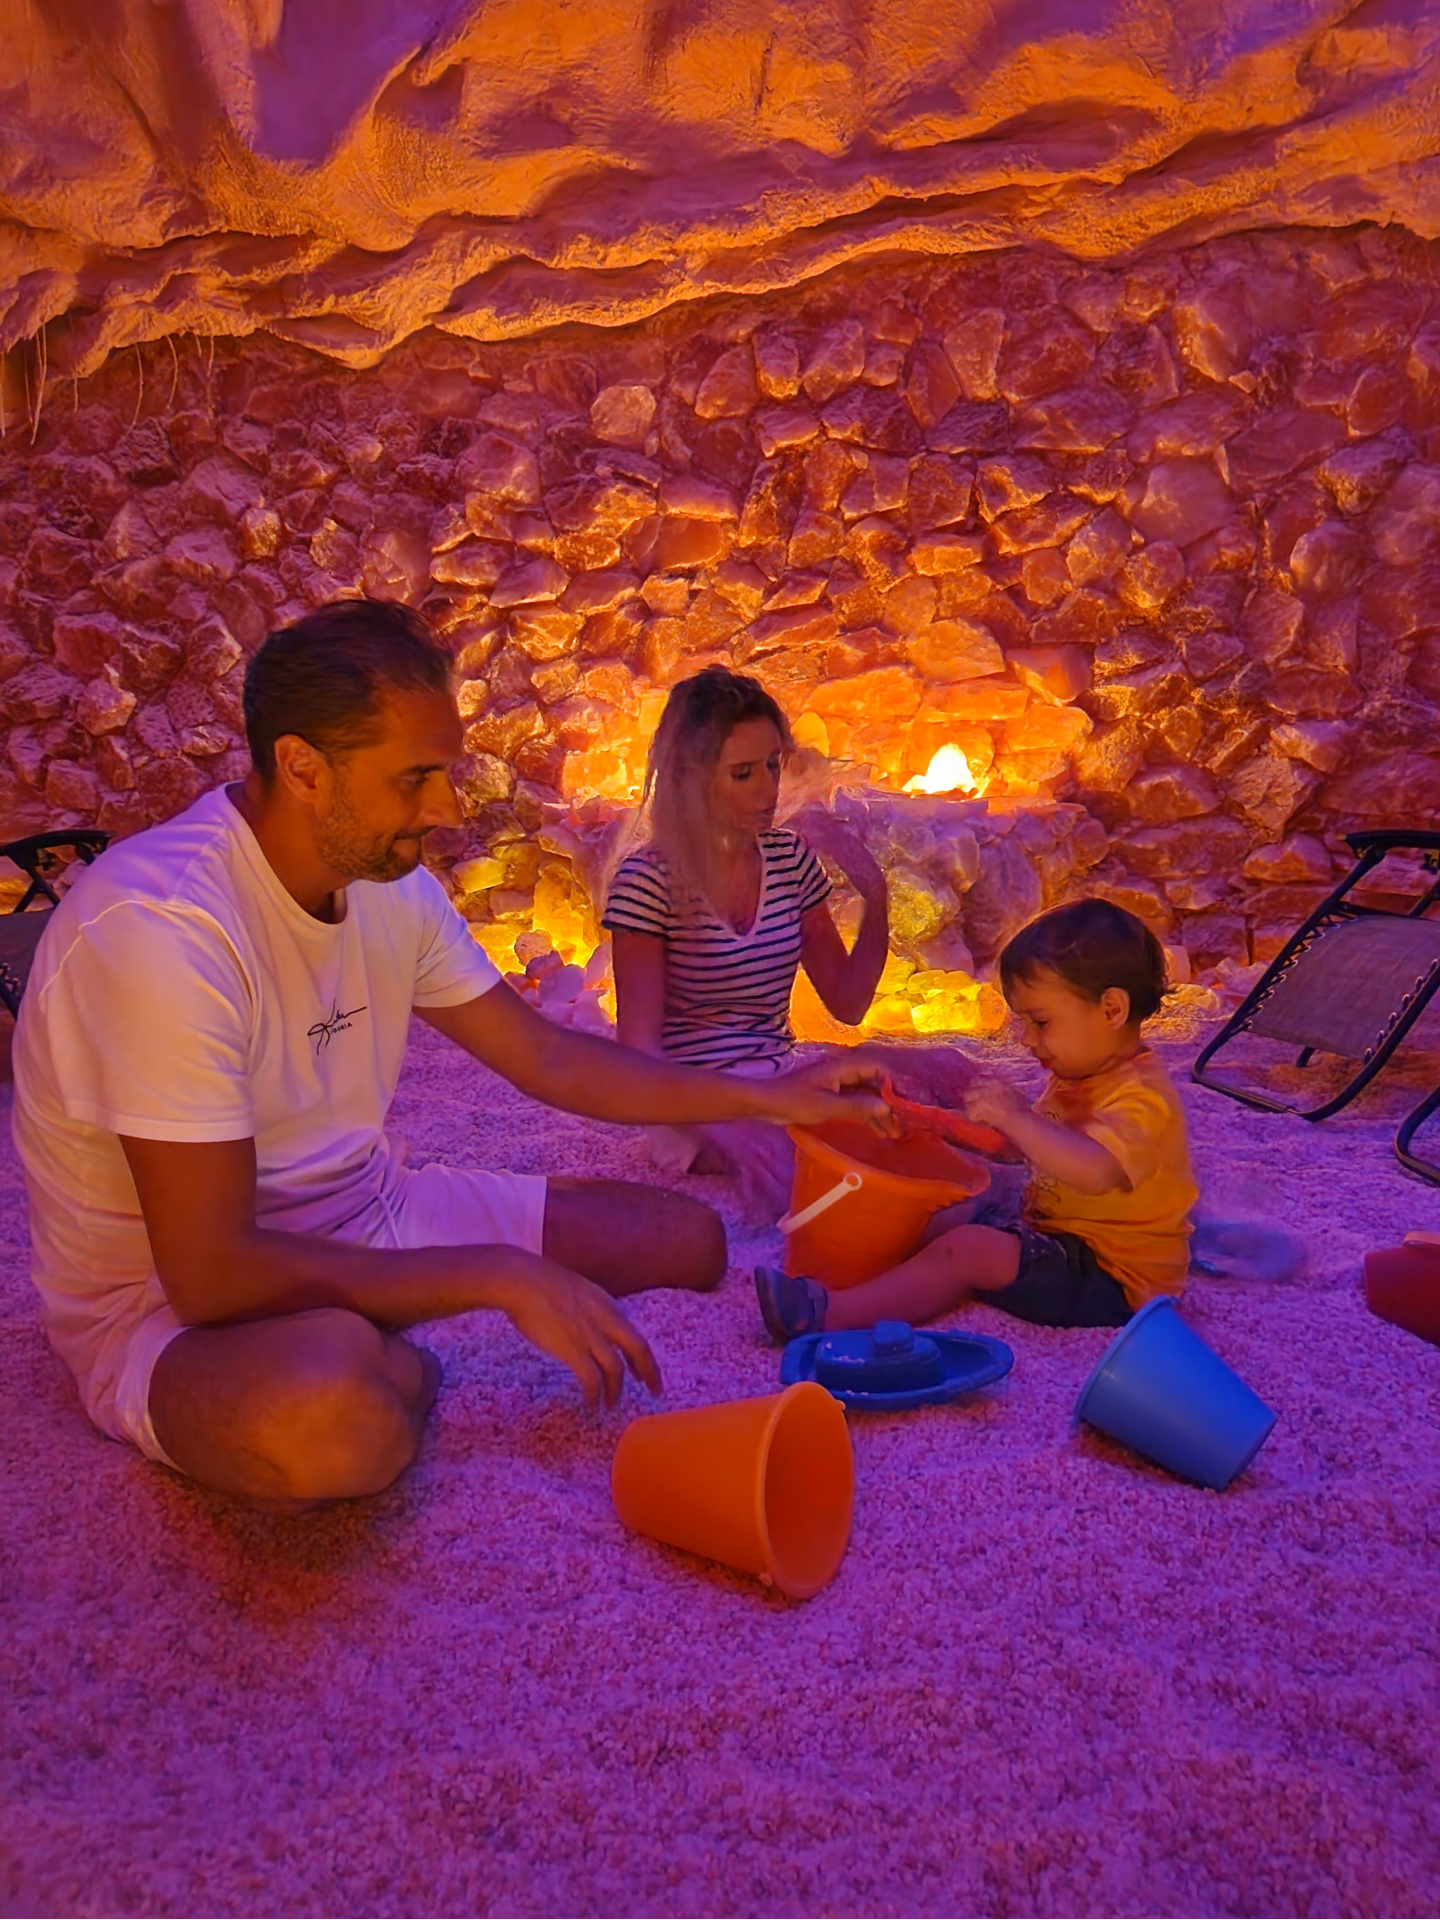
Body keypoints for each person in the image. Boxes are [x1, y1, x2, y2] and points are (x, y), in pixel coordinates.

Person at [10, 600, 886, 1507]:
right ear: (303, 769)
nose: (447, 808)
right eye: (416, 778)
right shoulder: (164, 930)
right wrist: (494, 1277)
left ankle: (378, 1341)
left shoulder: (387, 886)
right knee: (339, 1419)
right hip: (167, 1307)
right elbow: (210, 1275)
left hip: (369, 1210)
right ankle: (381, 1356)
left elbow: (549, 1058)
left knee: (689, 1242)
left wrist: (780, 1099)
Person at [603, 665, 975, 1212]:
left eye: (773, 765)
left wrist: (874, 895)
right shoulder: (647, 882)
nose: (767, 789)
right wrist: (732, 1120)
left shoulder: (788, 859)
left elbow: (848, 1004)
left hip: (783, 1082)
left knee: (927, 1077)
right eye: (743, 774)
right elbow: (636, 1060)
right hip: (691, 1107)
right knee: (850, 1163)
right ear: (691, 777)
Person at [755, 900, 1200, 1338]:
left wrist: (1018, 1116)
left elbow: (1096, 1171)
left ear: (1111, 1010)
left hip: (1114, 1281)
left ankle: (828, 1315)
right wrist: (937, 1124)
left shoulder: (1142, 1099)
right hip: (1056, 1238)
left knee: (966, 1250)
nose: (1025, 1039)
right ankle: (863, 1283)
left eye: (1040, 1022)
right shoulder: (1082, 1074)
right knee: (947, 1220)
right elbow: (1021, 1149)